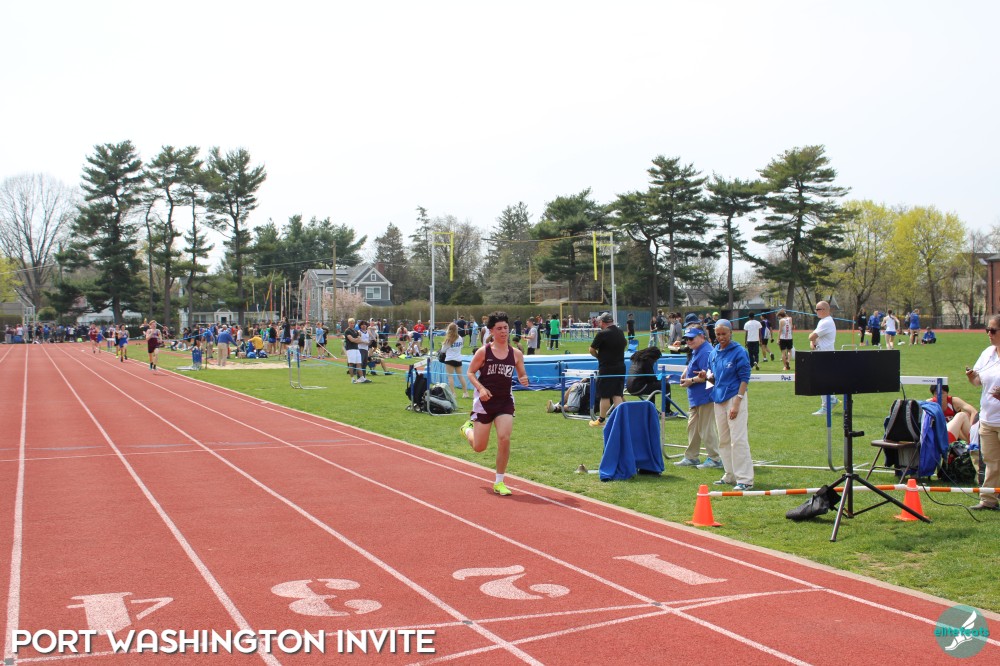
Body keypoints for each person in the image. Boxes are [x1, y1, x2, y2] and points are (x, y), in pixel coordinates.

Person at [460, 311, 530, 496]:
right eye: (499, 328)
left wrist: (523, 379)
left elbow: (522, 374)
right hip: (485, 402)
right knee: (479, 447)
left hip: (505, 401)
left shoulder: (516, 354)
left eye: (505, 328)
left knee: (504, 438)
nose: (503, 331)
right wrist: (481, 389)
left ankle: (499, 481)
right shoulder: (484, 352)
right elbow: (470, 373)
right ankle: (467, 430)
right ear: (491, 331)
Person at [697, 319, 753, 491]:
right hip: (718, 399)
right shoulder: (713, 353)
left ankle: (745, 479)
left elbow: (744, 378)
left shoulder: (739, 352)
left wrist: (737, 402)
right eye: (718, 334)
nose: (721, 337)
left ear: (731, 333)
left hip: (734, 397)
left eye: (724, 334)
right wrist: (705, 377)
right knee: (724, 440)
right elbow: (712, 377)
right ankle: (730, 474)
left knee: (738, 439)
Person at [964, 316, 1000, 510]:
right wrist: (971, 377)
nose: (989, 334)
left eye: (993, 330)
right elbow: (978, 382)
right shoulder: (987, 353)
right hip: (987, 419)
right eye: (987, 330)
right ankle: (988, 500)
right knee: (991, 462)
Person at [677, 327, 722, 469]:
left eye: (691, 338)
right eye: (686, 339)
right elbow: (694, 365)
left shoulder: (706, 352)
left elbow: (710, 376)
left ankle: (715, 459)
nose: (688, 341)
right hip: (696, 397)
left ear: (702, 336)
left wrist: (691, 380)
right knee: (693, 427)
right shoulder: (698, 350)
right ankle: (691, 457)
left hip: (705, 396)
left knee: (706, 428)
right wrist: (686, 372)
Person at [587, 312, 627, 428]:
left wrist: (598, 357)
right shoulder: (620, 332)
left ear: (602, 322)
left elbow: (591, 349)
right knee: (617, 394)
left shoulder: (602, 334)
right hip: (620, 366)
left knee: (605, 395)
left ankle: (601, 419)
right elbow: (624, 345)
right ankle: (621, 419)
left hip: (607, 367)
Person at [809, 301, 838, 415]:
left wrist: (812, 340)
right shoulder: (822, 321)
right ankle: (832, 399)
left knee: (822, 381)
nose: (816, 311)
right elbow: (813, 340)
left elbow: (811, 336)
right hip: (821, 354)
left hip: (825, 355)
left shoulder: (826, 322)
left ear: (825, 310)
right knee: (822, 380)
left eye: (818, 309)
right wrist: (813, 342)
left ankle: (826, 406)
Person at [441, 322, 469, 398]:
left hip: (450, 359)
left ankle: (453, 393)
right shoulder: (460, 338)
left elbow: (443, 350)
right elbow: (461, 347)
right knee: (460, 376)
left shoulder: (448, 339)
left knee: (450, 376)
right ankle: (465, 392)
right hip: (458, 359)